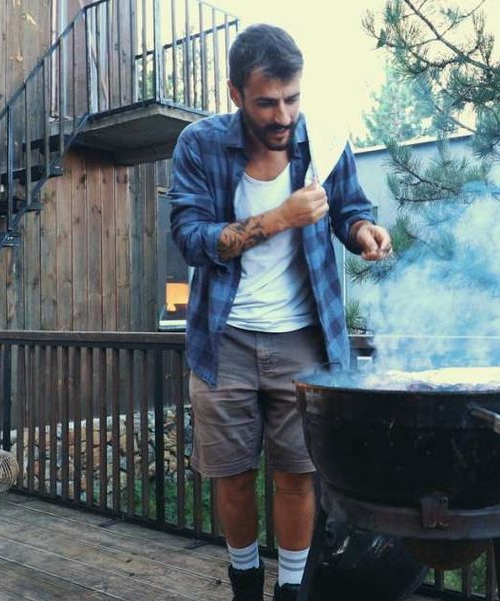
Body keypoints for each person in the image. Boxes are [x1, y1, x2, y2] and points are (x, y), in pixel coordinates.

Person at [167, 23, 392, 601]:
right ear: (236, 94)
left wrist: (364, 230)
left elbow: (349, 209)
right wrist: (279, 218)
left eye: (292, 98)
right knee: (234, 478)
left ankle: (291, 592)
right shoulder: (199, 144)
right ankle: (244, 582)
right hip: (225, 341)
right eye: (267, 102)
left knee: (297, 476)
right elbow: (191, 238)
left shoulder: (320, 140)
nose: (283, 115)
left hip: (304, 341)